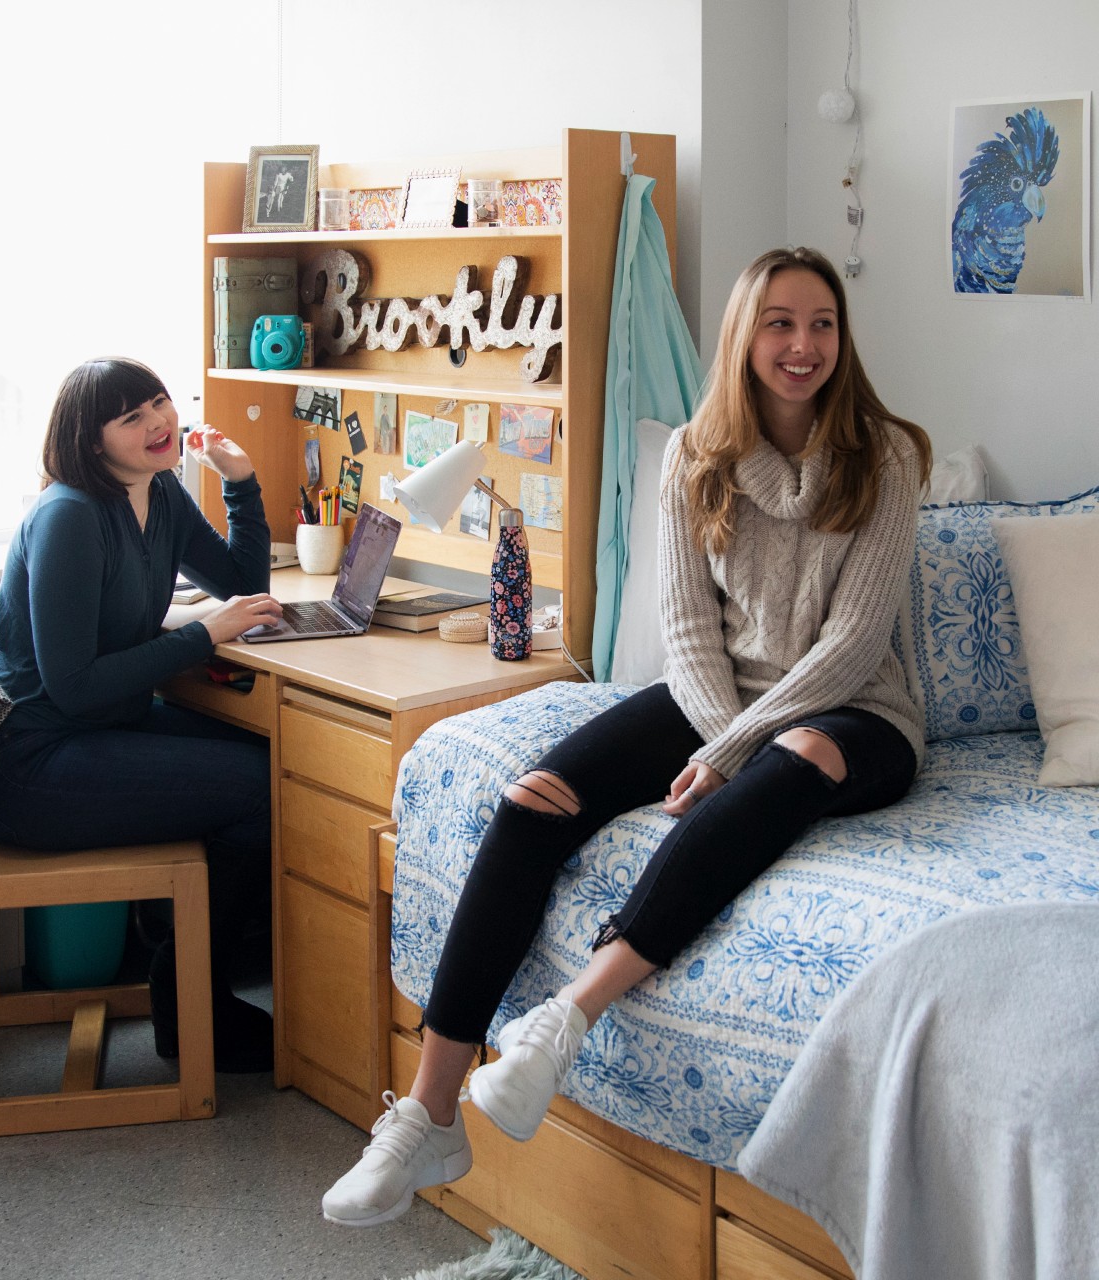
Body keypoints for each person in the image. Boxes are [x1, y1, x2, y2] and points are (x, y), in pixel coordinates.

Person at [322, 247, 933, 1226]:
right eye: (780, 321)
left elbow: (853, 643)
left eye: (822, 324)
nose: (804, 344)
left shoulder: (888, 454)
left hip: (853, 711)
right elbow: (691, 632)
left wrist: (732, 754)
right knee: (531, 800)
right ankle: (431, 1109)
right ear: (743, 333)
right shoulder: (695, 454)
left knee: (801, 757)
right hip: (717, 692)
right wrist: (723, 734)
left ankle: (569, 1016)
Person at [0, 357, 285, 1073]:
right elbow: (72, 687)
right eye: (132, 417)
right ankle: (192, 1004)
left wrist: (240, 482)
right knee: (261, 787)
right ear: (91, 438)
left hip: (98, 732)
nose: (158, 423)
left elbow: (240, 585)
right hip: (32, 765)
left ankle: (193, 994)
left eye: (160, 404)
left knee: (275, 766)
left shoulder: (160, 492)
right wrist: (201, 636)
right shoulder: (70, 515)